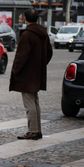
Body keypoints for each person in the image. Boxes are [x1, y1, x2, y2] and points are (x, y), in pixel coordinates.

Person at [9, 8, 52, 140]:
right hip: (37, 73)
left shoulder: (27, 35)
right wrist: (40, 64)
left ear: (25, 19)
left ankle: (33, 131)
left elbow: (21, 57)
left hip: (27, 75)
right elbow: (49, 52)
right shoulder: (43, 33)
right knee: (35, 102)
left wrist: (15, 71)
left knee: (29, 104)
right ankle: (37, 130)